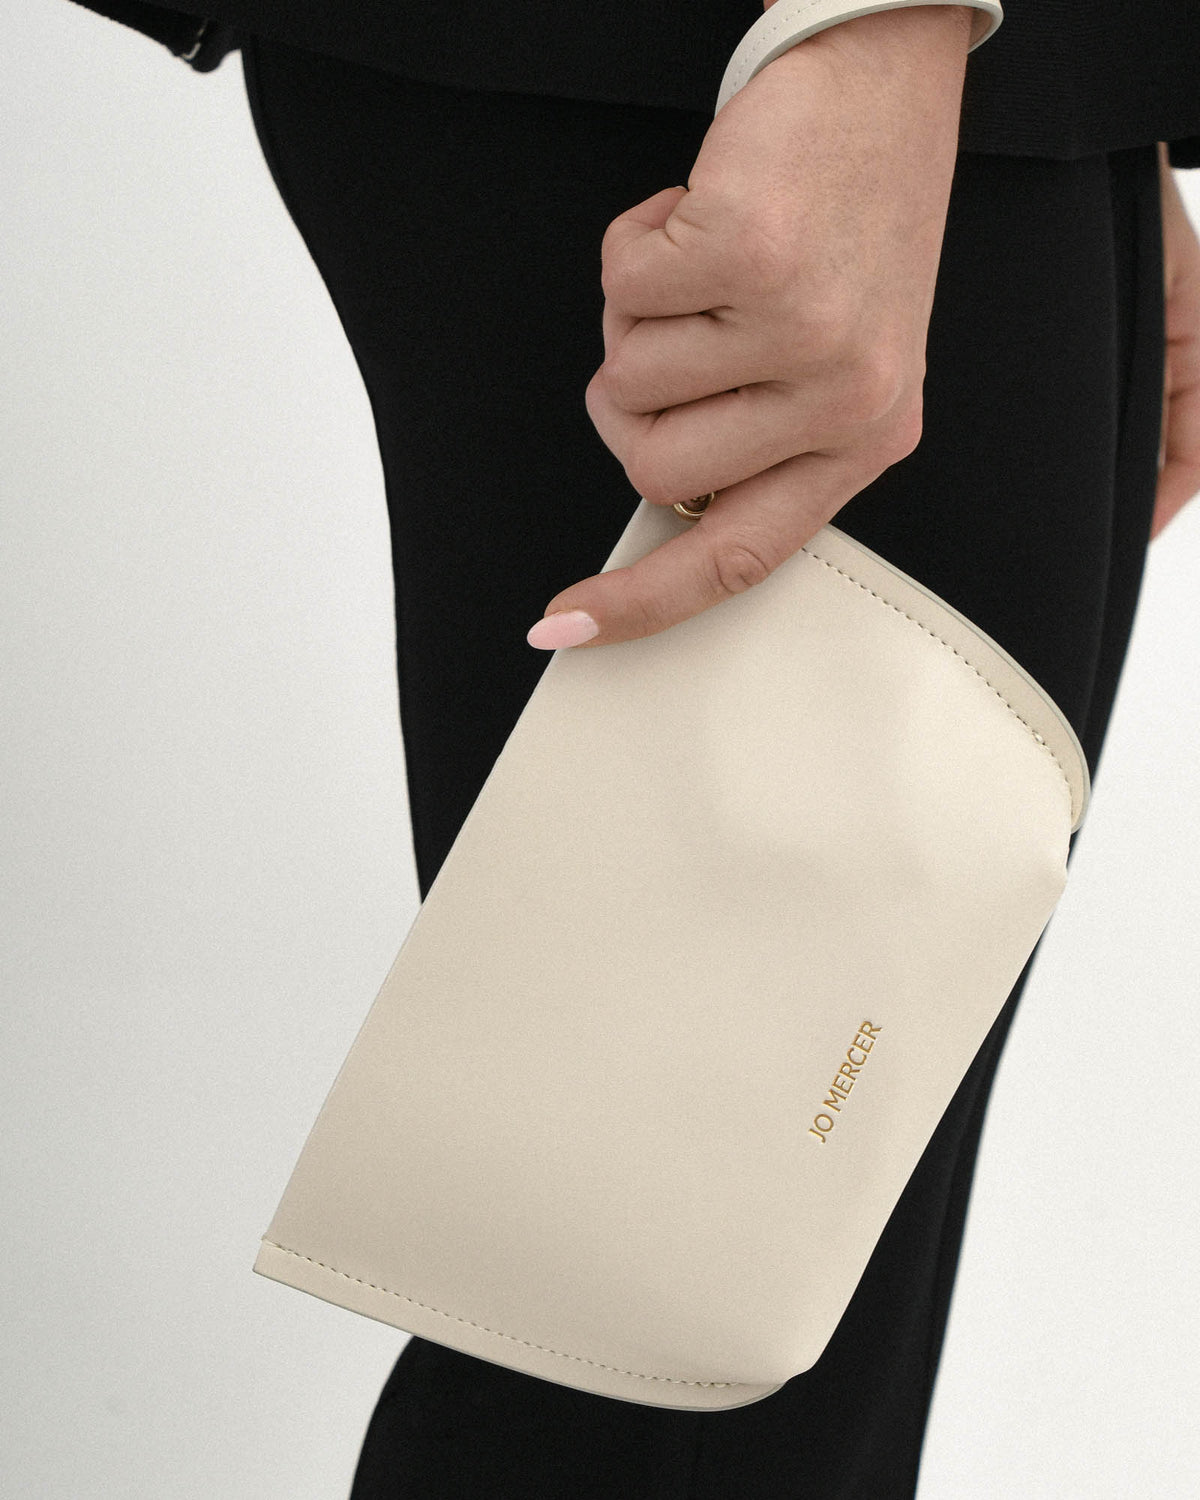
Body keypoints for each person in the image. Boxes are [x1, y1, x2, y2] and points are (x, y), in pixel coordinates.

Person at [59, 1, 1200, 1494]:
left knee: (762, 1332)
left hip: (936, 65)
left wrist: (1086, 96)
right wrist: (869, 32)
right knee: (661, 1345)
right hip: (742, 56)